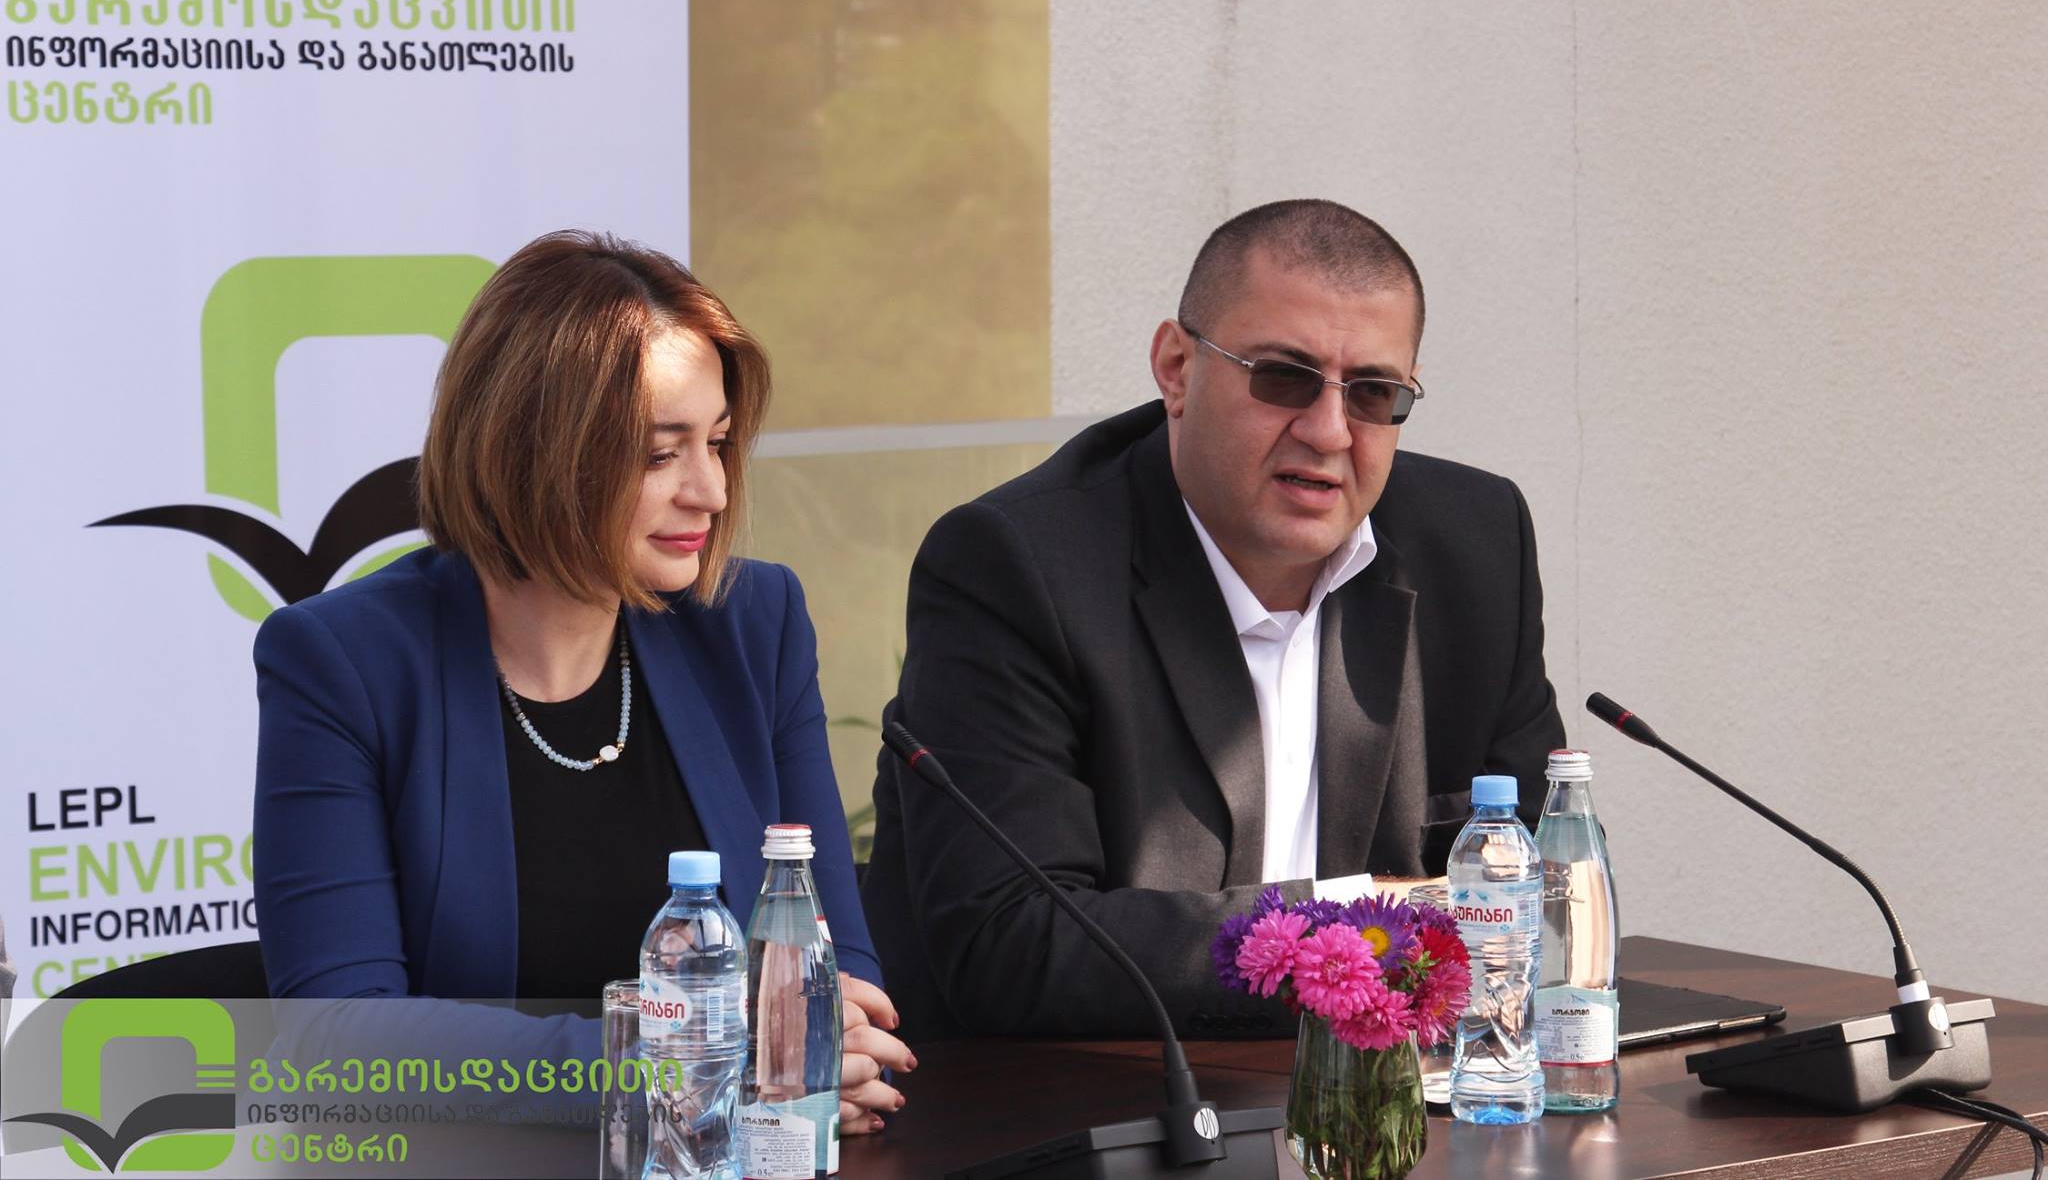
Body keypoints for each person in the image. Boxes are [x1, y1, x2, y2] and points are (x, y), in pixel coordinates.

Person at [254, 231, 911, 1132]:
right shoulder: (344, 660)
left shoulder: (752, 624)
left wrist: (814, 1052)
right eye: (660, 454)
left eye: (717, 443)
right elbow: (332, 1042)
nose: (712, 491)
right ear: (533, 453)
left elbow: (835, 976)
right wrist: (683, 1065)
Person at [863, 199, 1565, 1039]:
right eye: (1284, 377)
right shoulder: (1017, 565)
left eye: (1374, 393)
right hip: (1089, 1096)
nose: (1329, 431)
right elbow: (1015, 940)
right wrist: (1367, 930)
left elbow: (1544, 875)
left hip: (1389, 1094)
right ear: (1176, 367)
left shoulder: (1477, 546)